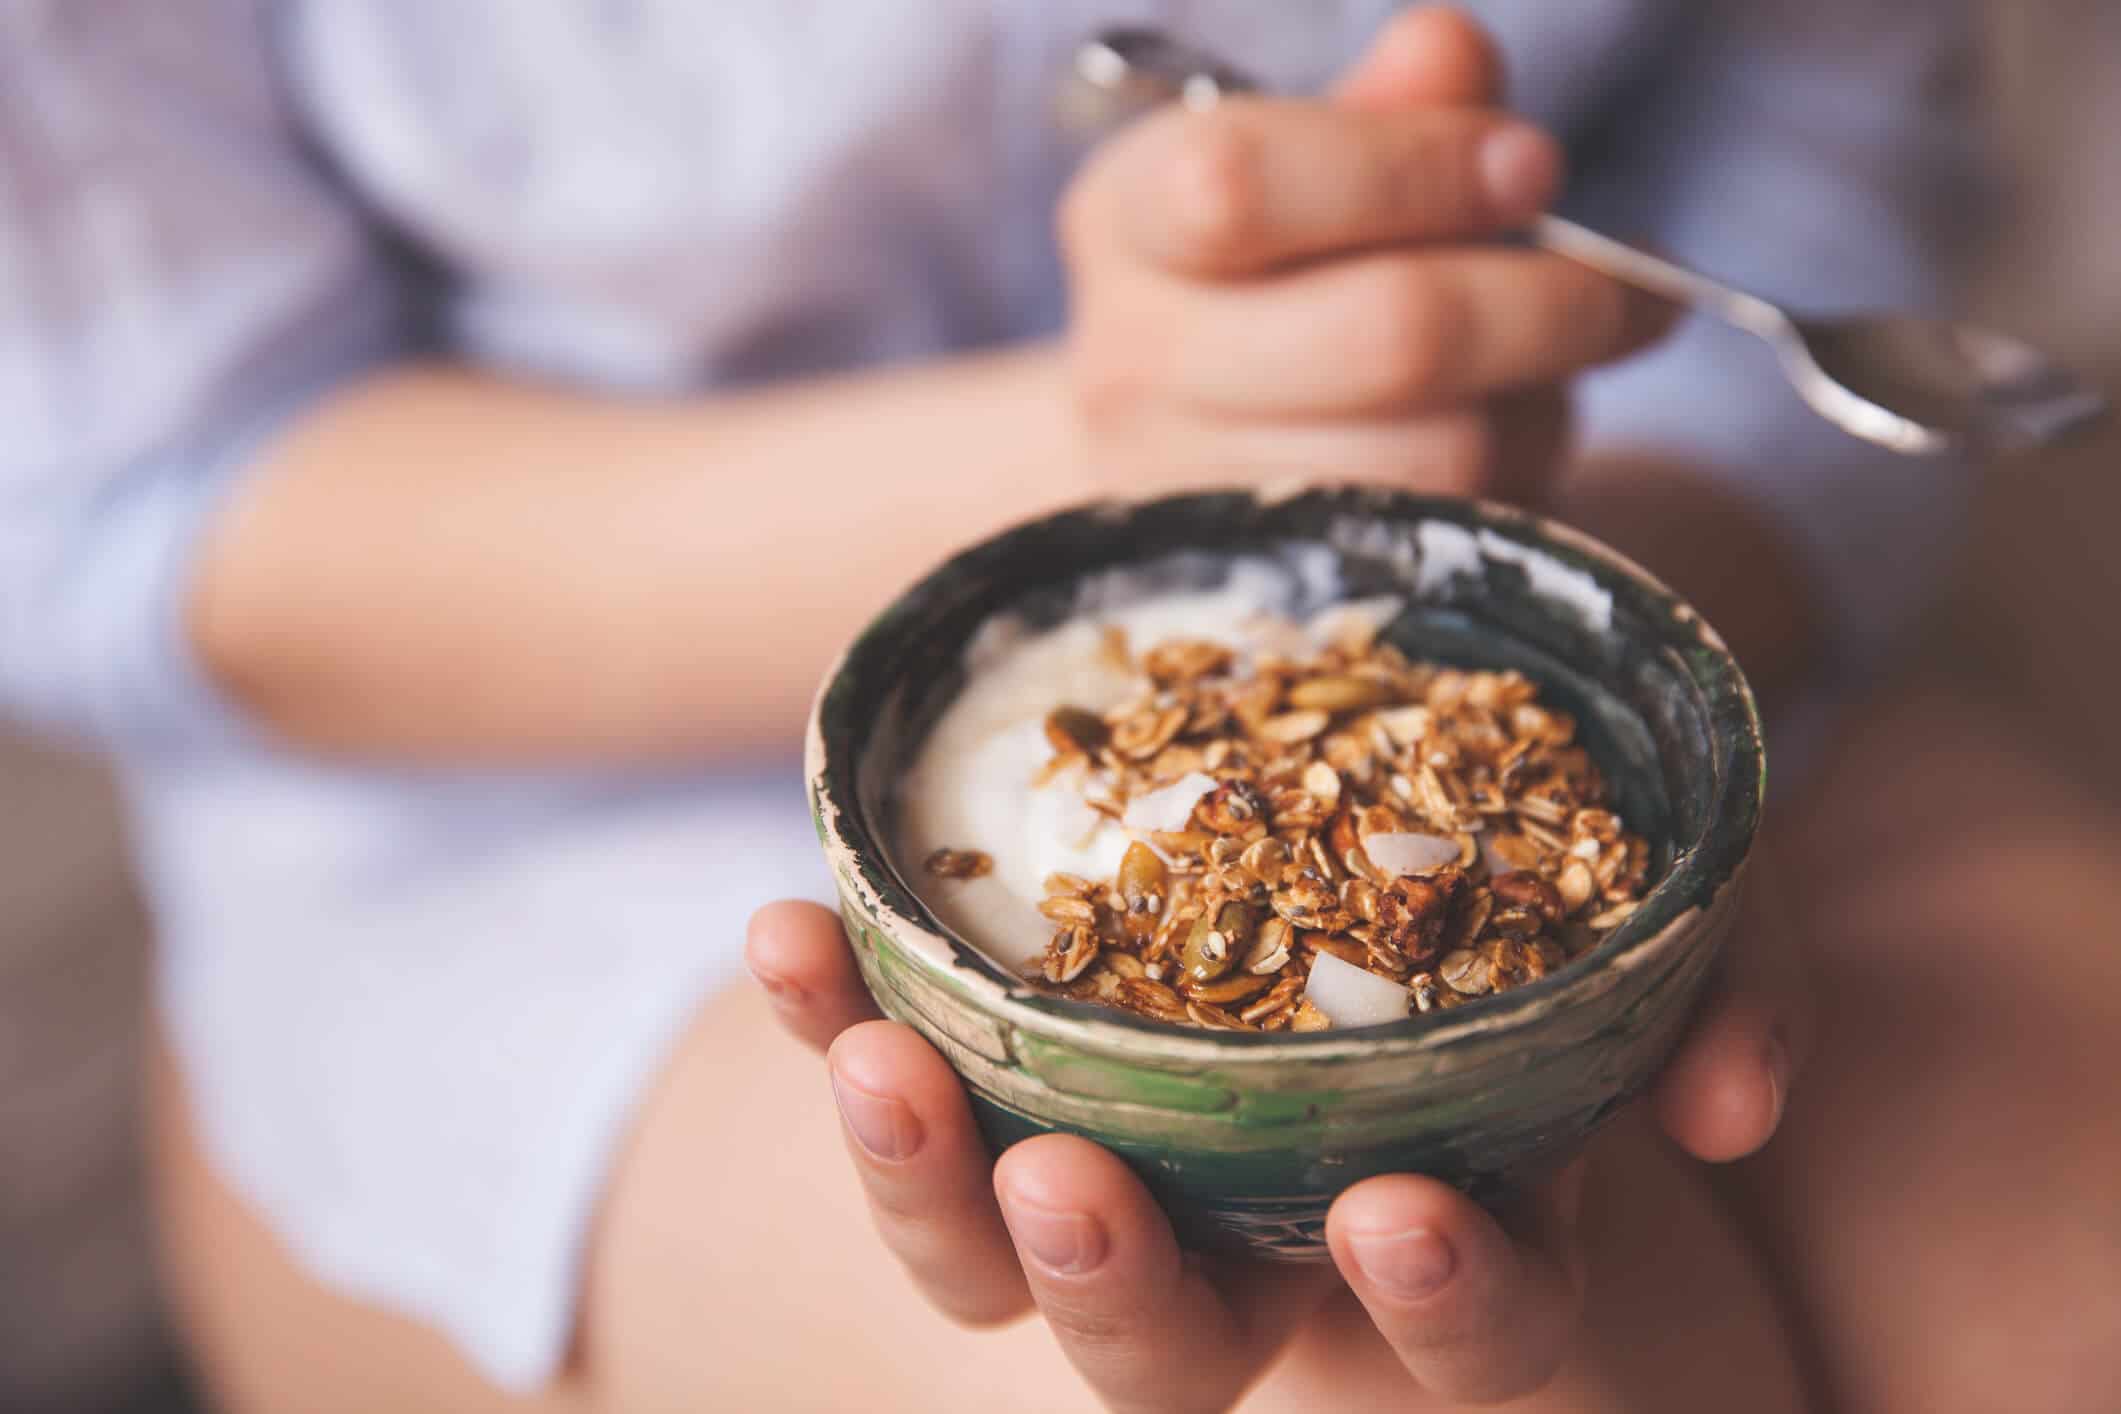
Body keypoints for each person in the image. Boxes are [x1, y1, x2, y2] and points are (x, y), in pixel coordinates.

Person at [11, 2, 2115, 1410]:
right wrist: (1092, 441)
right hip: (533, 763)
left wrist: (1596, 675)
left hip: (1616, 533)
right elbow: (144, 493)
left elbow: (1829, 115)